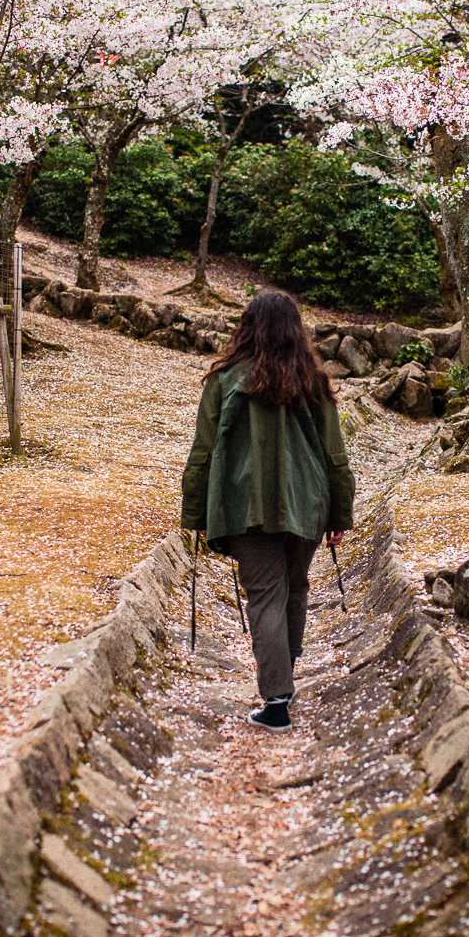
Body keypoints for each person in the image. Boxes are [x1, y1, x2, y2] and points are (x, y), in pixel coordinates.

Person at [181, 290, 354, 731]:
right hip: (308, 503)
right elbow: (335, 454)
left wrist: (195, 514)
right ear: (295, 330)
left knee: (266, 596)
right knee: (294, 589)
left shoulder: (223, 381)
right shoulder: (312, 381)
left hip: (244, 507)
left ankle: (277, 698)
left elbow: (202, 452)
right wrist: (339, 513)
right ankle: (283, 676)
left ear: (248, 327)